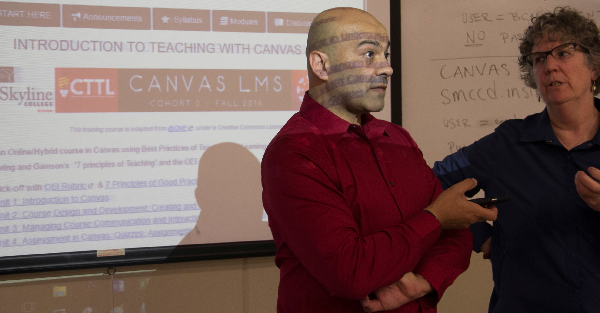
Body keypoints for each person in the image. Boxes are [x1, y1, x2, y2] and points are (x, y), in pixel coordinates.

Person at [261, 7, 497, 313]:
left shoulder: (397, 138)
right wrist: (435, 217)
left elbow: (456, 237)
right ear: (321, 65)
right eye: (369, 54)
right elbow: (350, 272)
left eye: (386, 54)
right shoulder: (295, 151)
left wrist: (422, 282)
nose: (387, 68)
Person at [433, 7, 600, 313]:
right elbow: (431, 183)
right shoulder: (506, 143)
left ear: (594, 67)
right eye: (539, 59)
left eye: (563, 54)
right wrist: (477, 232)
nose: (549, 66)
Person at [179, 142, 271, 245]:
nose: (248, 204)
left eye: (256, 190)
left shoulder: (273, 236)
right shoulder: (188, 249)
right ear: (201, 198)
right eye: (234, 193)